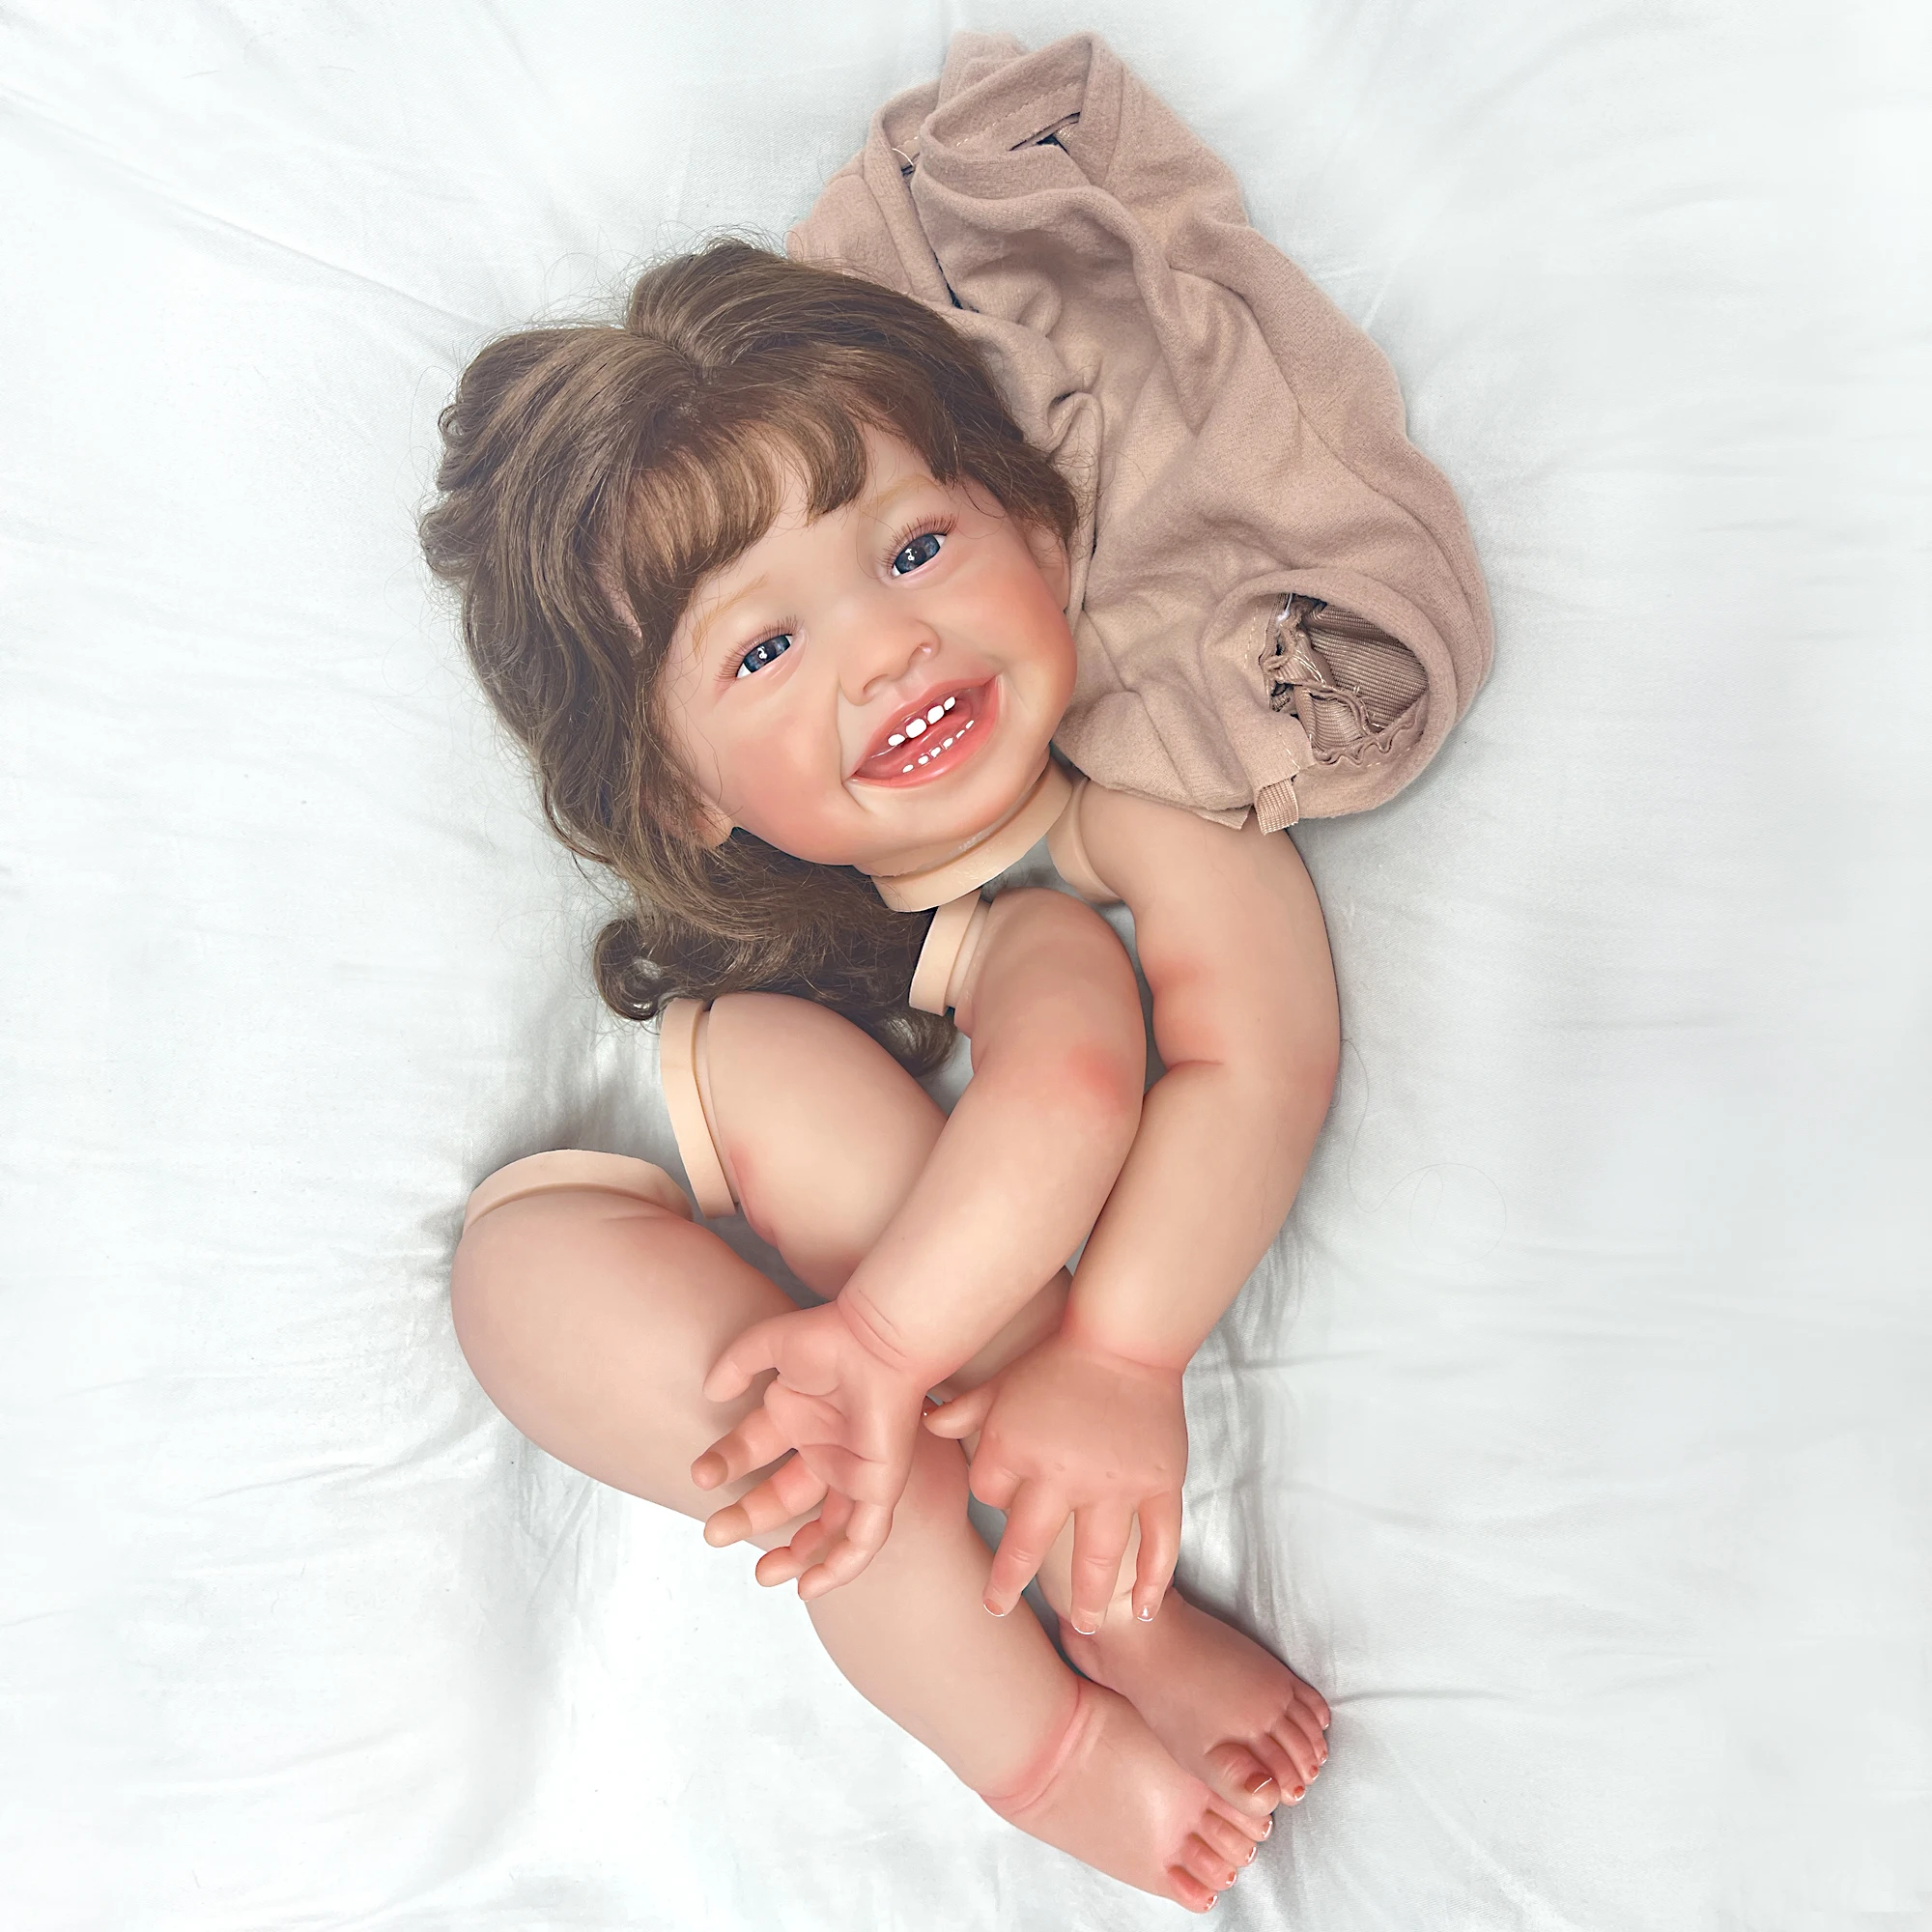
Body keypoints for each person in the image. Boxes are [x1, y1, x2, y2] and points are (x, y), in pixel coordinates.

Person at [421, 239, 1339, 1913]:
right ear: (682, 792)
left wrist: (1114, 1354)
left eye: (914, 550)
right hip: (594, 1229)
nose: (887, 648)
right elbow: (1072, 1093)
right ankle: (1076, 1661)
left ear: (1040, 535)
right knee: (757, 1328)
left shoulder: (1124, 838)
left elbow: (1242, 1064)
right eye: (763, 652)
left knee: (849, 1466)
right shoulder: (868, 942)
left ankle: (1068, 1700)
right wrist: (1017, 1361)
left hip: (833, 1328)